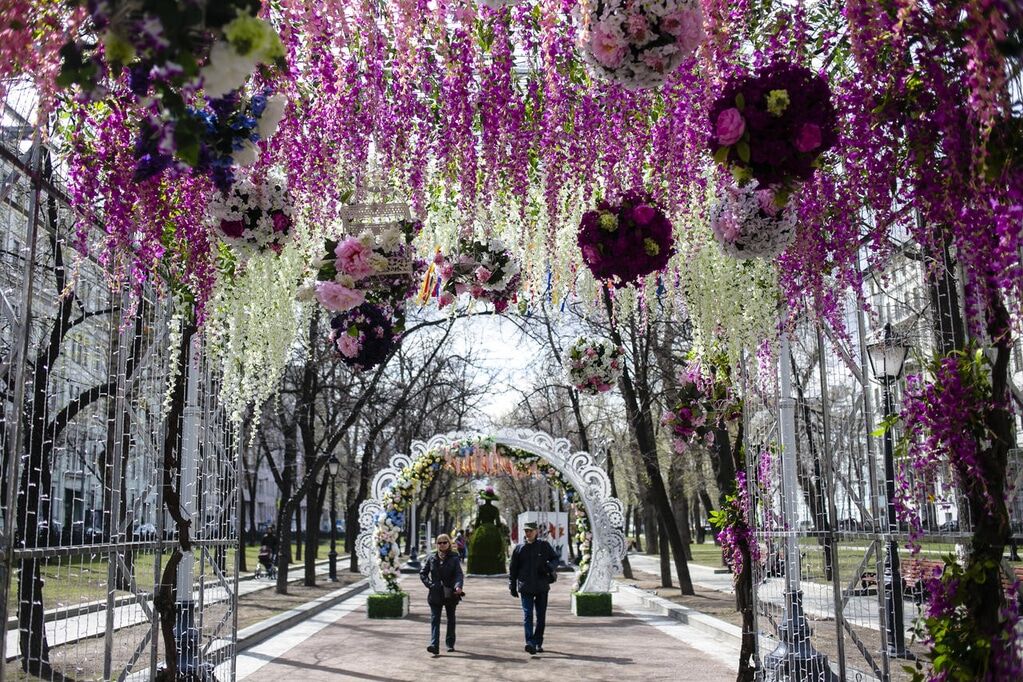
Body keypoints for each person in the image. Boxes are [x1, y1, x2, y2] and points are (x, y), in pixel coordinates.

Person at [509, 521, 560, 655]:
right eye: (526, 531)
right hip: (525, 587)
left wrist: (550, 567)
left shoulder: (544, 546)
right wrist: (512, 585)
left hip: (542, 586)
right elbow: (513, 569)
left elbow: (555, 558)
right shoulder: (519, 548)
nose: (528, 533)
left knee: (541, 616)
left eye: (530, 531)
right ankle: (530, 642)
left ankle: (538, 642)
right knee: (528, 615)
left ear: (536, 531)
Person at [419, 533, 464, 655]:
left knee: (451, 619)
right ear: (437, 544)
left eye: (445, 542)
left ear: (449, 543)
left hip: (450, 593)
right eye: (440, 542)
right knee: (435, 619)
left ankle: (450, 643)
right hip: (435, 594)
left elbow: (459, 575)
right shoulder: (431, 558)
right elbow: (423, 573)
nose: (442, 545)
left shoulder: (454, 558)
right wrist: (430, 585)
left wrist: (458, 586)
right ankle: (434, 645)